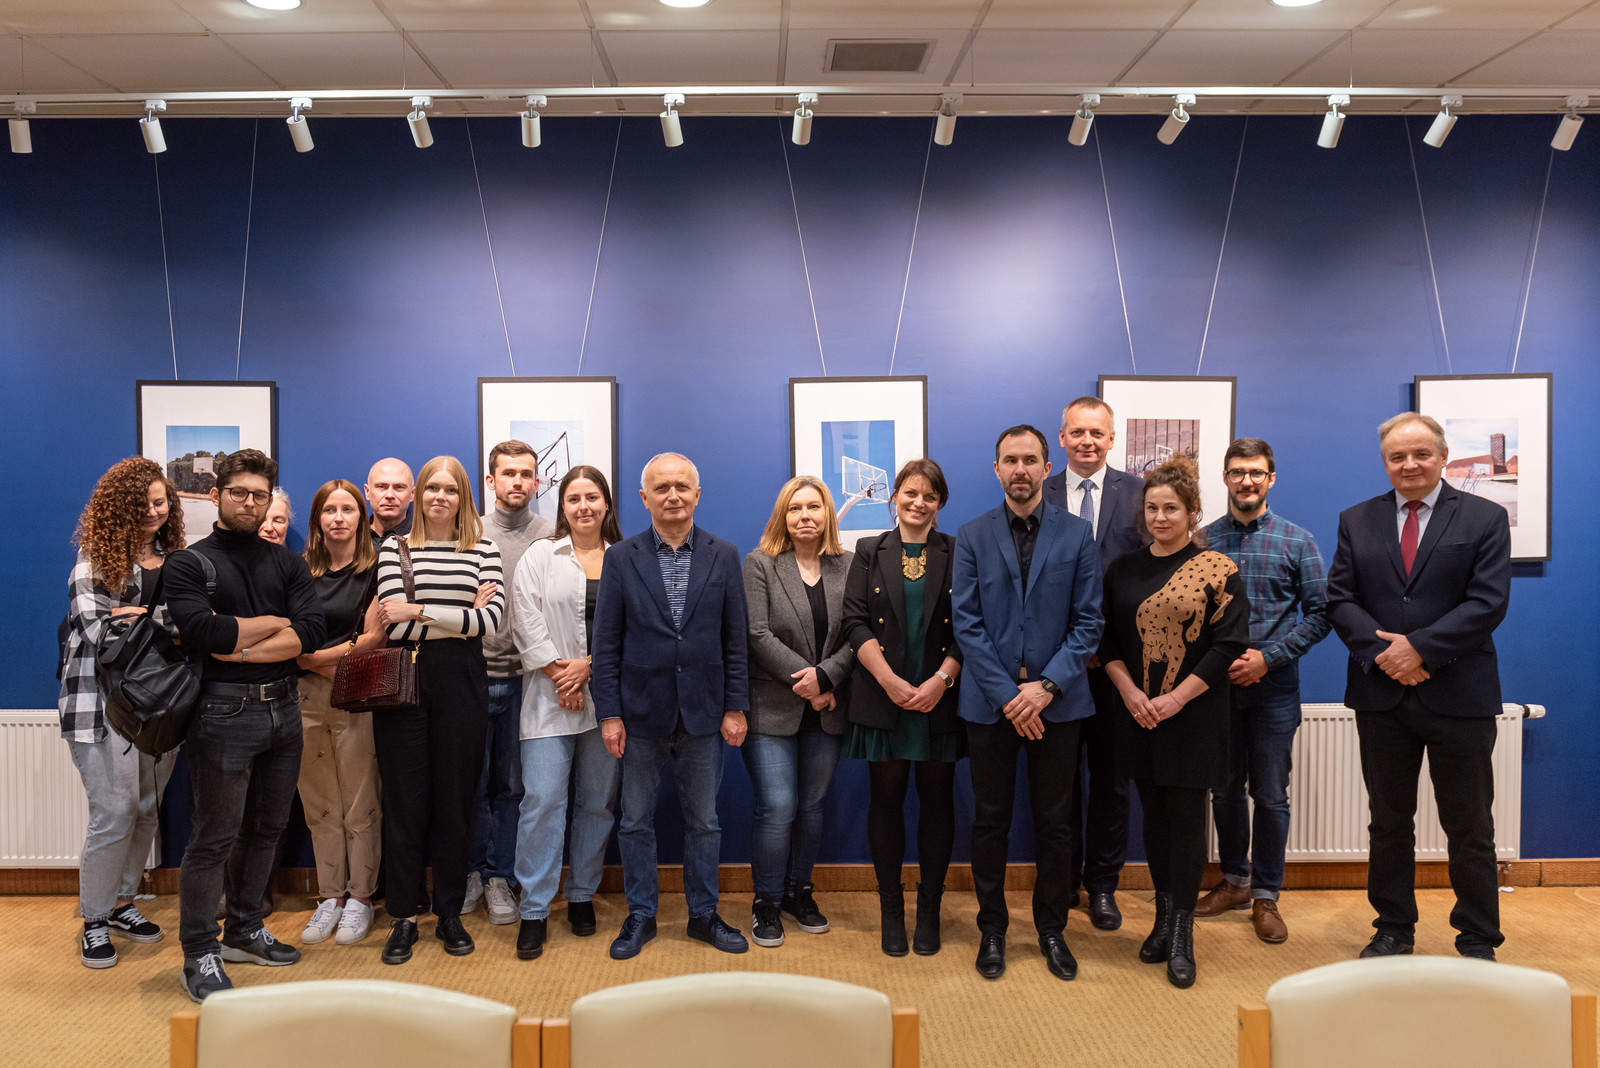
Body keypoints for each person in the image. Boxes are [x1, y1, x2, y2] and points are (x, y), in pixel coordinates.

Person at [1326, 413, 1511, 962]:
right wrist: (1389, 655)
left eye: (1421, 454)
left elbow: (1488, 602)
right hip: (1382, 696)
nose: (1409, 464)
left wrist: (1421, 649)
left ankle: (1477, 936)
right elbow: (1340, 599)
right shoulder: (1356, 519)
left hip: (1460, 694)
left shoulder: (1484, 517)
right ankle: (1393, 928)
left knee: (1469, 825)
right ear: (1385, 462)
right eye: (1397, 456)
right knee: (1388, 822)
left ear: (1443, 456)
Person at [163, 448, 327, 1002]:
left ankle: (244, 930)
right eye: (239, 493)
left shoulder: (287, 563)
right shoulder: (190, 563)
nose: (250, 503)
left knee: (268, 829)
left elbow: (311, 630)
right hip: (221, 713)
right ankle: (199, 952)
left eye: (259, 495)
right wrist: (273, 623)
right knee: (214, 837)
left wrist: (245, 645)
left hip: (284, 709)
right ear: (217, 496)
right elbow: (202, 632)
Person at [953, 425, 1103, 982]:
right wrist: (1008, 696)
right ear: (997, 469)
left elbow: (1089, 622)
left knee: (1056, 824)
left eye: (1030, 460)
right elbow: (967, 624)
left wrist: (1044, 688)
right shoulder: (971, 535)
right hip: (990, 704)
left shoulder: (1077, 534)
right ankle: (992, 929)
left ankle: (1051, 929)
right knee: (990, 821)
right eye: (1010, 460)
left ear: (1047, 467)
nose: (1021, 469)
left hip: (1057, 703)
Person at [591, 452, 751, 959]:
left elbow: (735, 640)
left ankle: (703, 914)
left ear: (697, 494)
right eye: (662, 488)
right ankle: (641, 914)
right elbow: (606, 643)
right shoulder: (621, 557)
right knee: (635, 820)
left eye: (682, 486)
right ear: (645, 498)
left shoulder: (724, 555)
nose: (673, 495)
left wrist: (736, 706)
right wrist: (609, 713)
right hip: (640, 712)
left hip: (705, 711)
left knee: (704, 821)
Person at [1098, 454, 1248, 989]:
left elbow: (1228, 645)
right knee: (1154, 822)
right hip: (1137, 713)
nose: (1160, 517)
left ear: (1192, 512)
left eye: (1171, 509)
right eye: (1152, 508)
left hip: (1192, 717)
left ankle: (1183, 931)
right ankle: (1162, 920)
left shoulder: (1219, 569)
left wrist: (1176, 699)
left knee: (1185, 823)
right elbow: (1107, 641)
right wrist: (1131, 693)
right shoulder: (1123, 569)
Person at [1195, 438, 1330, 943]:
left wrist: (1266, 659)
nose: (1246, 481)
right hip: (1217, 689)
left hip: (1274, 689)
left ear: (1271, 478)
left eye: (1256, 472)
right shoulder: (1203, 541)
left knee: (1271, 795)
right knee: (1224, 790)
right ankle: (1235, 881)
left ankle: (1267, 894)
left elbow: (1322, 614)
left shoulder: (1297, 541)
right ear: (1225, 478)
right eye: (1237, 472)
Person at [373, 455, 505, 965]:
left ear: (463, 496)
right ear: (419, 495)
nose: (439, 497)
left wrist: (421, 609)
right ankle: (404, 916)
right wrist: (460, 613)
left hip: (463, 681)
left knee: (456, 801)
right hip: (406, 679)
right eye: (432, 488)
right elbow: (394, 622)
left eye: (450, 489)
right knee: (404, 803)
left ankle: (449, 911)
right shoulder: (395, 547)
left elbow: (490, 622)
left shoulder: (484, 549)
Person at [58, 457, 185, 969]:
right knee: (113, 811)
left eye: (161, 501)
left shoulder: (177, 560)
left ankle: (122, 904)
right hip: (98, 703)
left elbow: (191, 625)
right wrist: (159, 623)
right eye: (142, 504)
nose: (154, 511)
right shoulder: (94, 558)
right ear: (118, 507)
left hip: (161, 704)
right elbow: (97, 630)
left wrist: (139, 617)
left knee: (146, 809)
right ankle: (94, 918)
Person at [840, 458, 963, 958]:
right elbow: (853, 622)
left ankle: (929, 910)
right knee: (886, 802)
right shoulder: (869, 550)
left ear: (940, 503)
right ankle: (891, 909)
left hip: (940, 697)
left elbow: (971, 624)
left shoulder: (957, 551)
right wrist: (889, 681)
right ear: (894, 498)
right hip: (882, 696)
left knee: (937, 803)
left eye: (929, 496)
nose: (918, 502)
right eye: (910, 493)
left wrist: (941, 680)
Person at [1041, 395, 1147, 932]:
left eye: (1096, 433)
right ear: (1062, 438)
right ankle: (1061, 882)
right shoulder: (1038, 491)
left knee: (1110, 781)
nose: (1087, 441)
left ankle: (1103, 885)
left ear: (1111, 438)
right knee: (1057, 784)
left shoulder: (1140, 495)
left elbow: (1150, 575)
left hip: (1115, 667)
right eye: (1077, 432)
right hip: (1054, 667)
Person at [509, 466, 623, 961]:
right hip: (547, 698)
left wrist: (587, 667)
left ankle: (580, 895)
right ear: (563, 506)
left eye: (592, 497)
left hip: (608, 699)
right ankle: (534, 908)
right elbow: (524, 617)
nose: (583, 506)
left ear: (606, 504)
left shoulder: (624, 558)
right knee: (541, 803)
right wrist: (562, 675)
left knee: (597, 803)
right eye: (574, 498)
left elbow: (635, 627)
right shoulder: (541, 555)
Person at [742, 476, 855, 948]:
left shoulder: (849, 564)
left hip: (827, 710)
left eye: (813, 507)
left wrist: (826, 678)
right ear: (782, 516)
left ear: (827, 513)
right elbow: (757, 634)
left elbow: (858, 634)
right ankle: (766, 901)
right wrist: (810, 685)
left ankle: (798, 892)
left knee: (811, 806)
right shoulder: (760, 564)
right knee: (778, 806)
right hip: (772, 708)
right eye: (795, 508)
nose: (805, 516)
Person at [293, 479, 388, 947]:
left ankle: (361, 898)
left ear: (360, 516)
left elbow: (374, 638)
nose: (338, 518)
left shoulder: (378, 568)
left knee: (360, 799)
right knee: (319, 801)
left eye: (347, 509)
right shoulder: (298, 571)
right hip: (304, 697)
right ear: (317, 519)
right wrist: (312, 663)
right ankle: (330, 895)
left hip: (357, 694)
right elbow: (287, 634)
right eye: (329, 510)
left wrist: (312, 659)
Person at [466, 441, 555, 925]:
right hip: (472, 679)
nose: (517, 481)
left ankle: (500, 877)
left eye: (525, 474)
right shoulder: (470, 532)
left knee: (514, 788)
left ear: (536, 483)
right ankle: (470, 872)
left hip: (528, 683)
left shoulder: (550, 537)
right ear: (491, 480)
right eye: (508, 473)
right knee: (470, 785)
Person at [365, 458, 414, 549]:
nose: (390, 495)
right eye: (381, 487)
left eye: (399, 487)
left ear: (412, 493)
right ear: (367, 492)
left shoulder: (427, 539)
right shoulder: (352, 537)